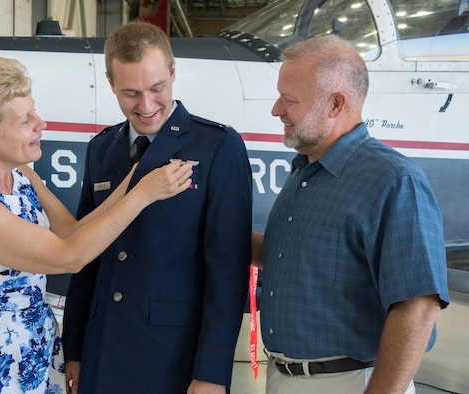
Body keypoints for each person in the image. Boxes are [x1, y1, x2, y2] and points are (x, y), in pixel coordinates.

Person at [0, 57, 193, 393]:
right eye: (25, 121)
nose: (42, 123)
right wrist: (144, 196)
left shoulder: (19, 175)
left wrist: (136, 179)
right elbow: (69, 256)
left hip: (33, 350)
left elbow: (70, 230)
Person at [251, 35, 450, 394]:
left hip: (352, 383)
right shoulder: (304, 173)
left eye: (289, 100)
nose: (276, 109)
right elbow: (288, 257)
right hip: (282, 378)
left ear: (335, 104)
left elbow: (418, 308)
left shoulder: (394, 181)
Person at [62, 21, 252, 394]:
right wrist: (76, 349)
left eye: (157, 89)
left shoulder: (216, 147)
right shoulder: (101, 149)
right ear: (110, 82)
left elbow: (227, 271)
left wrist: (212, 372)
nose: (146, 106)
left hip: (172, 358)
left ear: (173, 72)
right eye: (130, 93)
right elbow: (86, 257)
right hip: (102, 349)